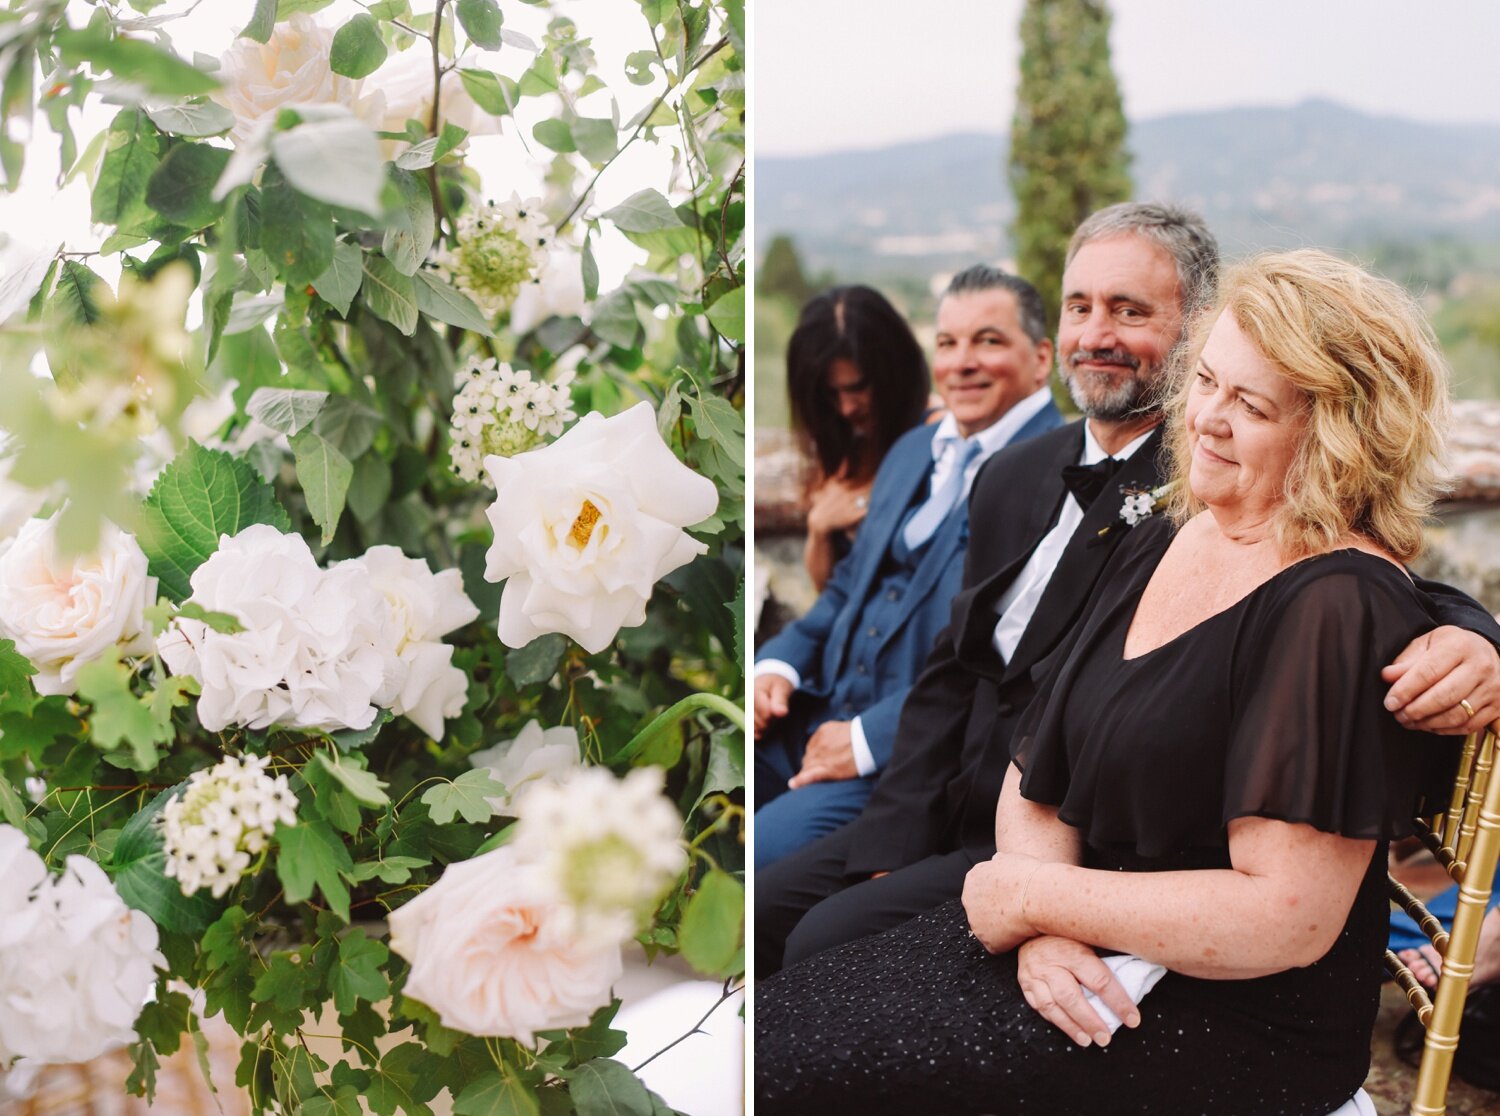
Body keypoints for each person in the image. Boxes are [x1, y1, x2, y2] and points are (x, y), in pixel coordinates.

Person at [756, 249, 1472, 1115]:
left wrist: (1032, 896)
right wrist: (1039, 924)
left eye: (1250, 404)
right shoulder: (1171, 530)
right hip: (1086, 934)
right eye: (1206, 381)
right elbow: (1036, 754)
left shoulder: (1337, 603)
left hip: (1224, 1017)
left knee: (802, 1075)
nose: (1206, 418)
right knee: (776, 1029)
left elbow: (1287, 917)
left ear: (1338, 436)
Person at [753, 267, 1063, 868]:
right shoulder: (913, 449)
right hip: (812, 712)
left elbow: (1004, 665)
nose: (962, 362)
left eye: (989, 341)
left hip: (903, 760)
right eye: (948, 343)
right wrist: (776, 667)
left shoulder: (1054, 475)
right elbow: (845, 590)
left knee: (761, 861)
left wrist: (865, 742)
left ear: (1041, 358)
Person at [785, 286, 932, 591]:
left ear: (893, 372)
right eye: (831, 393)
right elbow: (824, 589)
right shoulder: (845, 443)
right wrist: (819, 527)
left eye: (858, 386)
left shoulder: (937, 438)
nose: (847, 407)